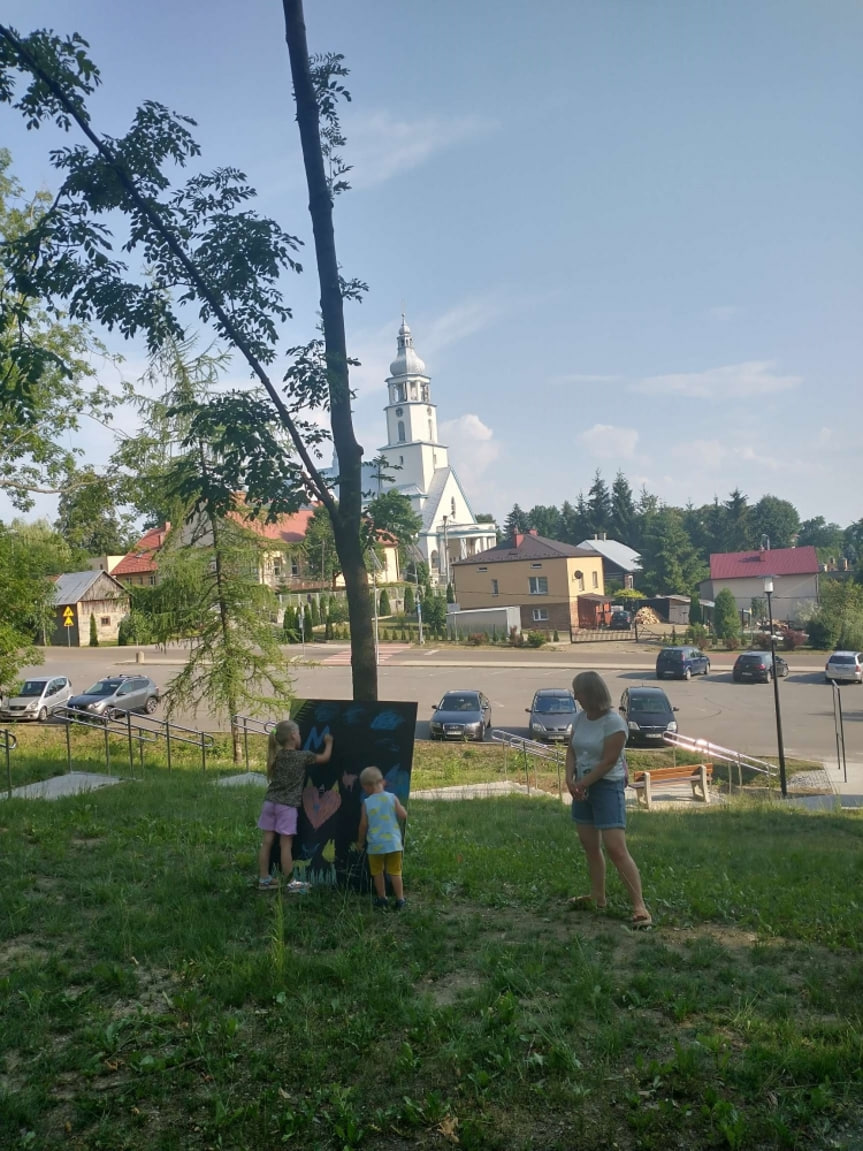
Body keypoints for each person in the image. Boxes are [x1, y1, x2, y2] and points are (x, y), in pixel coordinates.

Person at [566, 671, 652, 928]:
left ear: (590, 693)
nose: (575, 696)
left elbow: (608, 762)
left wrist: (582, 783)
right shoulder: (580, 718)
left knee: (616, 848)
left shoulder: (614, 722)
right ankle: (597, 896)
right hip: (582, 787)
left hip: (606, 787)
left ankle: (639, 906)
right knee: (590, 846)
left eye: (578, 691)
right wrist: (569, 779)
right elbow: (571, 749)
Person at [257, 720, 333, 892]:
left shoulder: (277, 756)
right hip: (287, 806)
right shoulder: (302, 756)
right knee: (286, 844)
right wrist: (329, 743)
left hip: (270, 803)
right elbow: (325, 758)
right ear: (293, 736)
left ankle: (264, 879)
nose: (300, 736)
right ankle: (291, 882)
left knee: (267, 842)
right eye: (298, 734)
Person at [357, 766, 408, 911]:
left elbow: (363, 825)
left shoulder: (366, 803)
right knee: (395, 871)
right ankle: (400, 900)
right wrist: (402, 808)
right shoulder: (392, 798)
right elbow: (403, 815)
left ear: (366, 787)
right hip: (393, 844)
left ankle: (382, 898)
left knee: (377, 872)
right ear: (382, 782)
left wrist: (360, 842)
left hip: (375, 846)